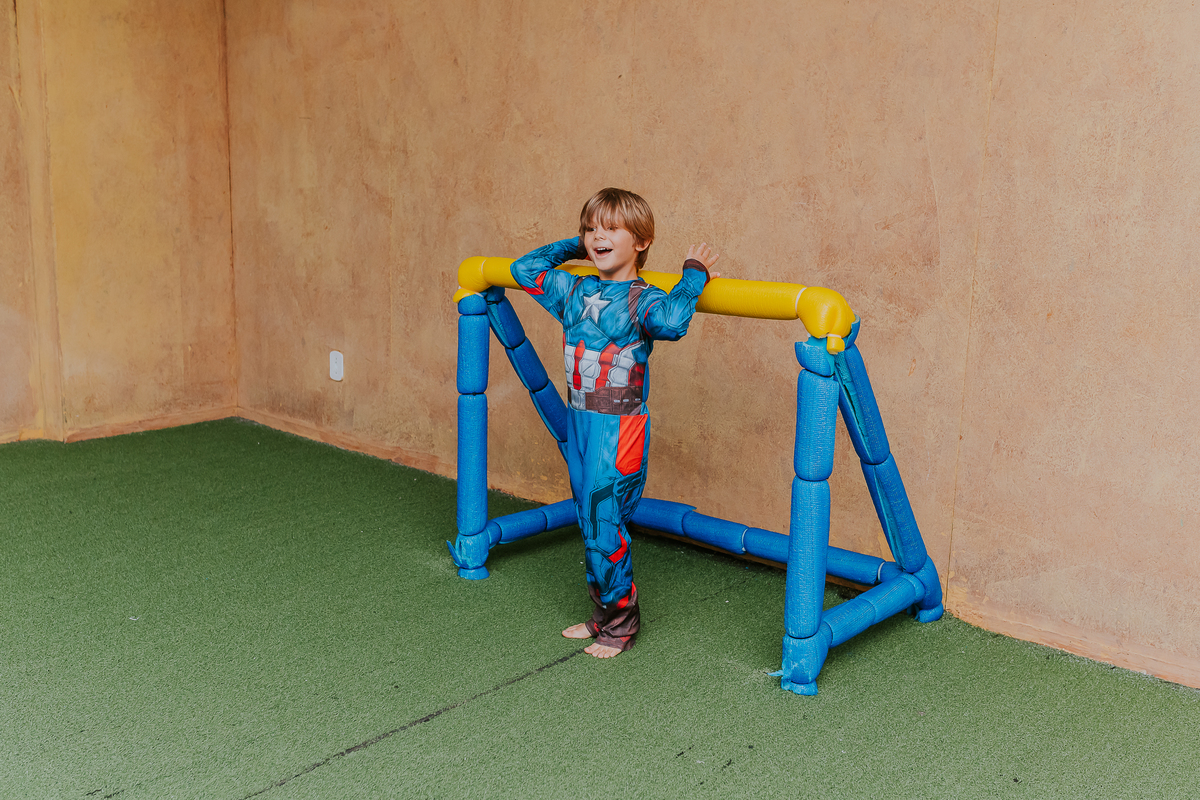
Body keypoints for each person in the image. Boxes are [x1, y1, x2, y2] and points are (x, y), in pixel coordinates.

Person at [510, 188, 720, 658]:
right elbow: (524, 269)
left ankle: (623, 623)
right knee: (589, 521)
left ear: (642, 241)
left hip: (620, 427)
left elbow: (673, 321)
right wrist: (578, 245)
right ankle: (602, 613)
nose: (598, 235)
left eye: (610, 229)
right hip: (581, 421)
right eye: (591, 228)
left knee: (606, 522)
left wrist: (693, 276)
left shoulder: (643, 300)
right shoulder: (575, 290)